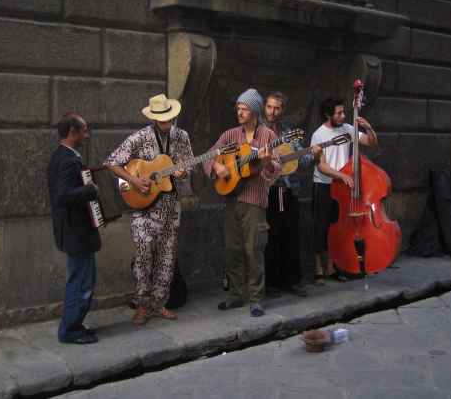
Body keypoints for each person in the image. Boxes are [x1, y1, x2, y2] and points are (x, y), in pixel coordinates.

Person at [105, 94, 193, 326]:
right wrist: (133, 181)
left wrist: (183, 173)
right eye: (163, 119)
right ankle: (142, 305)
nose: (168, 123)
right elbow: (112, 162)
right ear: (154, 118)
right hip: (143, 209)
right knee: (144, 256)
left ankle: (159, 304)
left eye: (170, 118)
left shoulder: (182, 137)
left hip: (171, 207)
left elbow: (188, 164)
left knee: (167, 258)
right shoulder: (139, 138)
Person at [204, 88, 281, 317]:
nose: (239, 112)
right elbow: (209, 155)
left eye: (244, 108)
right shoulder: (230, 135)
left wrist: (267, 162)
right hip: (231, 199)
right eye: (238, 107)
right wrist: (217, 167)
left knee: (254, 249)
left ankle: (256, 298)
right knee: (232, 249)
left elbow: (276, 170)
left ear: (255, 111)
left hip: (254, 200)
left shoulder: (268, 137)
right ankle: (236, 295)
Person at [310, 96, 378, 284]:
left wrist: (368, 127)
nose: (343, 115)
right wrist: (342, 176)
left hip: (342, 186)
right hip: (324, 184)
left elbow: (370, 142)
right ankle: (318, 269)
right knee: (321, 227)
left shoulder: (349, 129)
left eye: (343, 112)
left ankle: (332, 267)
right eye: (339, 113)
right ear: (327, 115)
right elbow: (321, 166)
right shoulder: (319, 135)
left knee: (336, 227)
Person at [48, 112, 101, 344]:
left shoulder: (61, 155)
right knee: (81, 282)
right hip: (76, 231)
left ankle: (75, 324)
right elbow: (62, 197)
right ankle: (70, 330)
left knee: (79, 279)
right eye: (84, 130)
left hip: (72, 230)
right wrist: (90, 190)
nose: (86, 135)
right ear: (72, 132)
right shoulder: (69, 160)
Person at [263, 92, 322, 298]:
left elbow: (301, 161)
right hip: (266, 191)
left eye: (276, 108)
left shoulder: (289, 132)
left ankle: (292, 281)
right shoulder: (258, 132)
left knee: (291, 236)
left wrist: (312, 155)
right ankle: (271, 284)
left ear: (282, 110)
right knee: (270, 238)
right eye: (269, 107)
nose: (272, 111)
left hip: (288, 190)